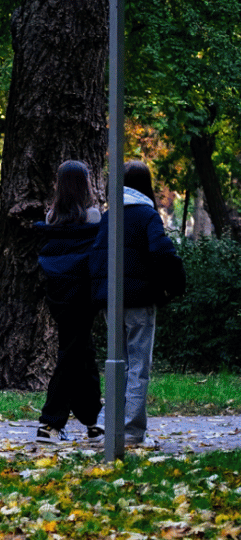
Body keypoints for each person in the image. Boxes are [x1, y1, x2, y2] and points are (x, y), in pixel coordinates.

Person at [92, 161, 185, 447]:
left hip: (111, 300)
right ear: (146, 185)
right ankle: (131, 429)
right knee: (138, 366)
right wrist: (175, 285)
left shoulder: (109, 216)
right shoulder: (147, 214)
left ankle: (107, 424)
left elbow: (97, 256)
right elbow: (162, 252)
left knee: (116, 363)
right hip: (140, 300)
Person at [34, 160, 104, 444]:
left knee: (83, 352)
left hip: (58, 293)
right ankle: (50, 422)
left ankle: (92, 419)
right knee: (72, 354)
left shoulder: (51, 217)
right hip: (83, 293)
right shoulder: (93, 217)